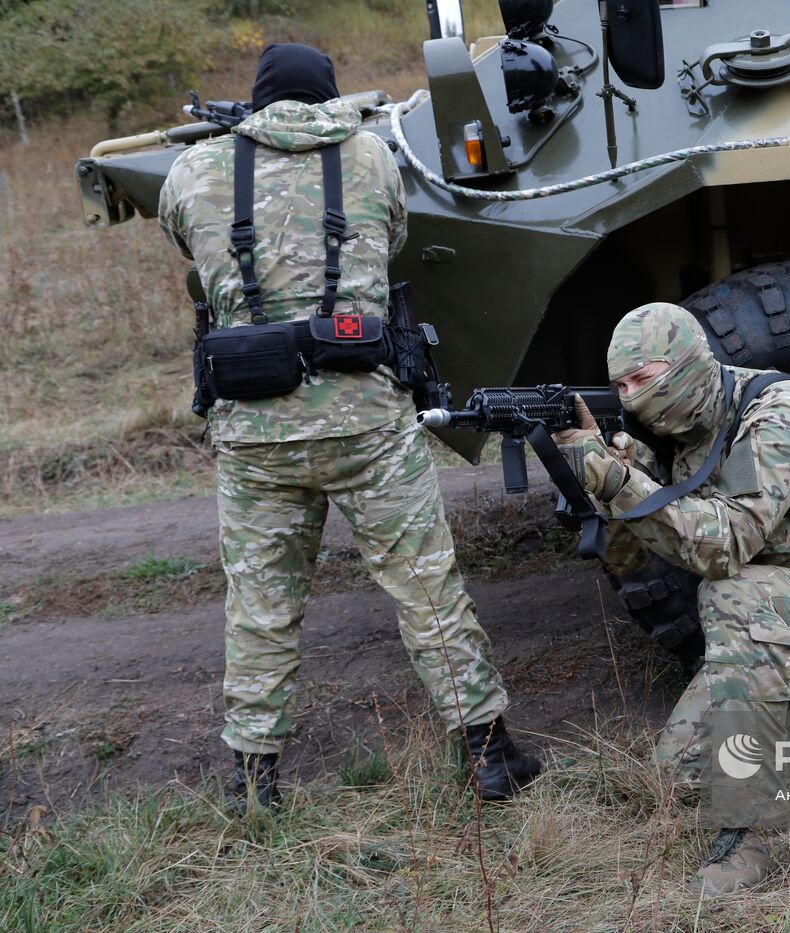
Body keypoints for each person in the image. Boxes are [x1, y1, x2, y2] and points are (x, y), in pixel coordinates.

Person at [158, 43, 539, 813]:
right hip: (365, 418)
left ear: (258, 99)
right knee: (426, 585)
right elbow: (392, 237)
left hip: (255, 430)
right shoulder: (369, 156)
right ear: (329, 94)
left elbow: (188, 251)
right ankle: (489, 755)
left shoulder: (194, 171)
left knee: (261, 605)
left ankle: (252, 781)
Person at [553, 302, 790, 894]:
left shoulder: (779, 412)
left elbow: (724, 547)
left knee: (735, 596)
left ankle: (753, 833)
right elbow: (631, 558)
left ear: (689, 364)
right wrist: (599, 484)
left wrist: (620, 480)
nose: (632, 397)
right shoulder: (680, 431)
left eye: (644, 379)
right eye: (621, 385)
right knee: (678, 771)